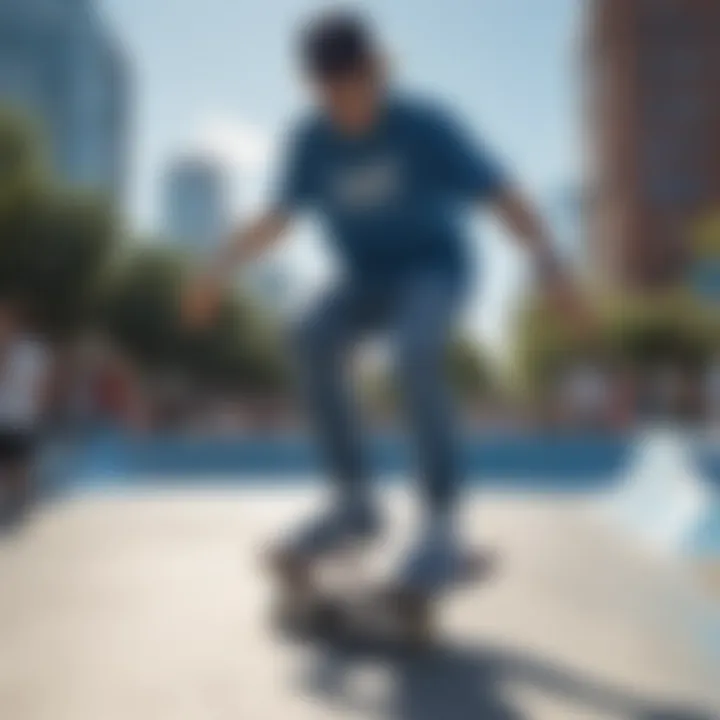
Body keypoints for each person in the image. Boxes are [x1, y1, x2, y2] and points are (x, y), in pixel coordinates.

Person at [184, 11, 590, 593]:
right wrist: (217, 265)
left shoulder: (427, 126)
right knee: (306, 334)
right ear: (314, 87)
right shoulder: (308, 140)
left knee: (414, 350)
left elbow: (500, 193)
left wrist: (550, 265)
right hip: (362, 278)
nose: (347, 106)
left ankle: (442, 521)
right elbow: (277, 219)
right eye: (331, 93)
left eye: (357, 87)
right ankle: (355, 504)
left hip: (435, 271)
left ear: (378, 70)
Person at [0, 299, 51, 528]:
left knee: (18, 464)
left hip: (20, 417)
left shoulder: (31, 352)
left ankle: (19, 507)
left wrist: (40, 412)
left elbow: (41, 386)